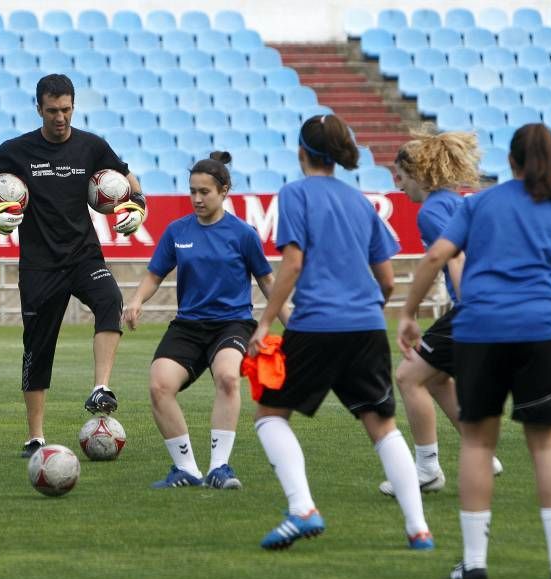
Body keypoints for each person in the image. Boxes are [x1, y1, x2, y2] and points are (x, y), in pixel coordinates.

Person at [397, 123, 551, 579]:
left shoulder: (480, 204)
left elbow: (435, 258)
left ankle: (473, 562)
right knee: (547, 445)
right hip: (542, 332)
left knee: (476, 443)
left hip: (480, 330)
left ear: (509, 162)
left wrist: (409, 313)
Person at [247, 114, 433, 551]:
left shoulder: (294, 194)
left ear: (301, 152)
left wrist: (265, 321)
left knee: (270, 416)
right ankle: (418, 529)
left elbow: (292, 264)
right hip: (366, 326)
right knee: (382, 425)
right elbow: (386, 280)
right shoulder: (359, 202)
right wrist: (367, 310)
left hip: (317, 324)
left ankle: (302, 509)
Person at [0, 74, 148, 458]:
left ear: (73, 106)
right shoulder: (17, 149)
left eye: (65, 109)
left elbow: (129, 180)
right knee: (37, 347)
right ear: (39, 109)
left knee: (110, 301)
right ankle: (35, 437)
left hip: (84, 256)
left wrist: (138, 204)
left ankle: (101, 388)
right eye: (52, 111)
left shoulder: (91, 146)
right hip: (39, 266)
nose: (60, 117)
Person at [123, 151, 289, 489]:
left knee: (228, 377)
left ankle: (219, 468)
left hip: (232, 323)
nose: (197, 199)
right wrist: (137, 300)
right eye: (192, 191)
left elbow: (268, 282)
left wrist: (294, 323)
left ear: (224, 191)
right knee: (159, 385)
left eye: (205, 192)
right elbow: (155, 274)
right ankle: (186, 469)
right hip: (188, 326)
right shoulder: (176, 231)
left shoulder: (243, 234)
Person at [379, 130, 503, 497]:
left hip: (475, 305)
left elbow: (455, 258)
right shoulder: (454, 201)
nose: (397, 184)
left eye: (400, 176)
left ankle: (427, 469)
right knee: (434, 378)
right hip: (489, 299)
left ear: (419, 173)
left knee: (407, 375)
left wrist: (470, 306)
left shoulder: (431, 211)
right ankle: (483, 453)